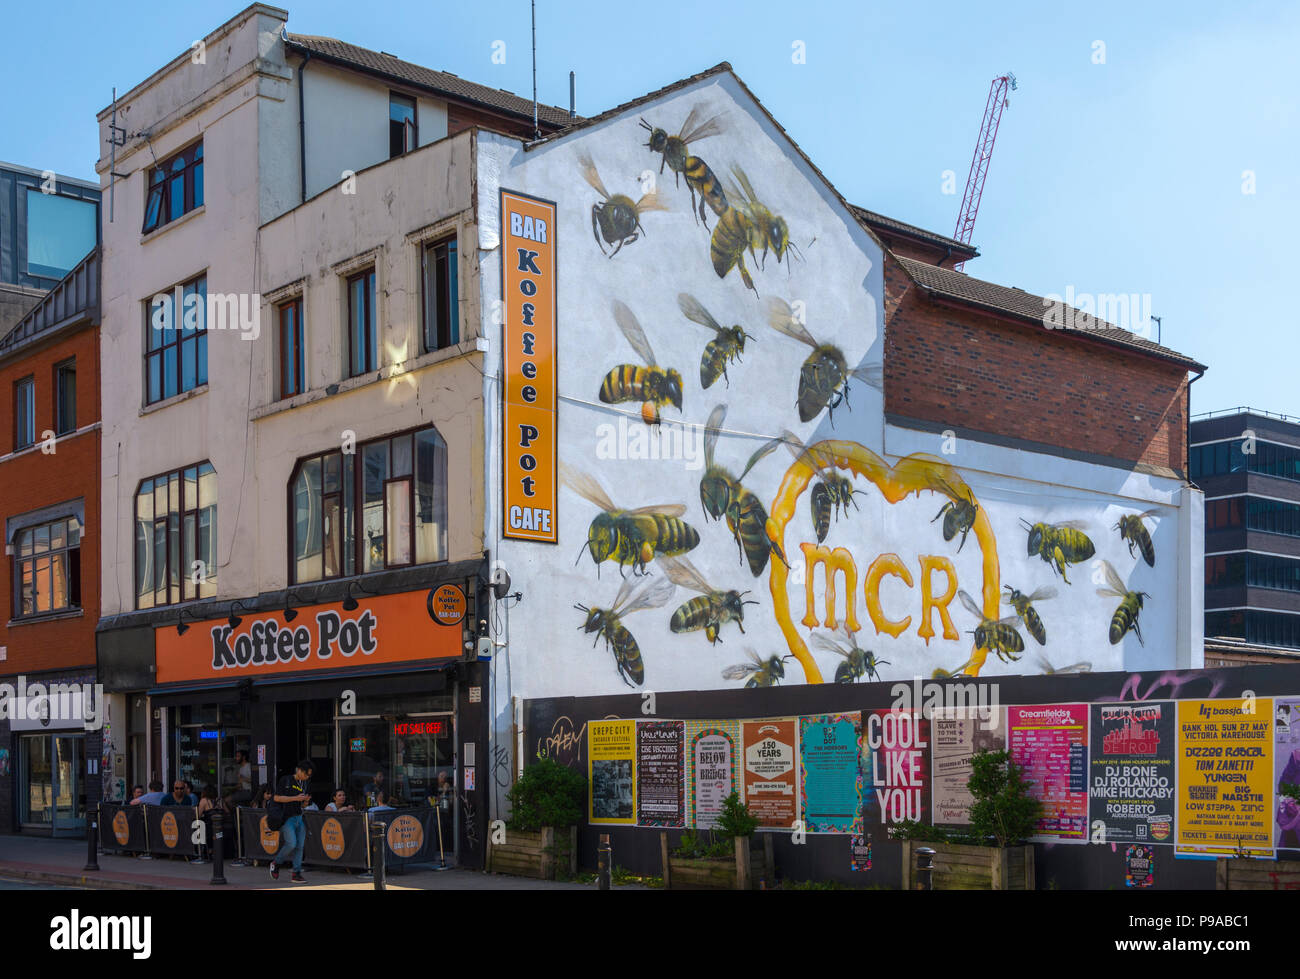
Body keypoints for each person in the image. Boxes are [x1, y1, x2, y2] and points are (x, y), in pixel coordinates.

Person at [269, 760, 313, 883]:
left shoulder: (306, 783)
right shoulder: (286, 780)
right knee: (291, 843)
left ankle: (296, 873)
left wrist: (305, 802)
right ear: (299, 770)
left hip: (299, 816)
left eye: (309, 775)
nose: (307, 777)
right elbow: (277, 797)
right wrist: (295, 798)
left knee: (300, 846)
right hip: (286, 817)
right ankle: (276, 862)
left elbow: (303, 805)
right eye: (306, 774)